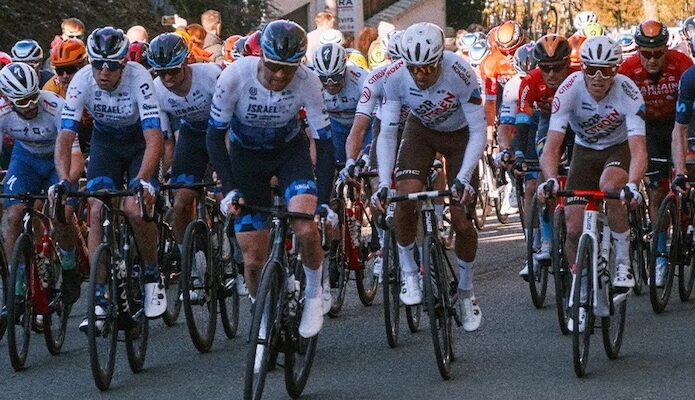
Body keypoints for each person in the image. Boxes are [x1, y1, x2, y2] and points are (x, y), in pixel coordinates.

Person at [206, 20, 331, 338]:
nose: (279, 75)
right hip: (246, 159)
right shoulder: (235, 76)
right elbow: (214, 137)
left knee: (305, 226)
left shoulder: (308, 81)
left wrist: (325, 200)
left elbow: (325, 143)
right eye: (273, 66)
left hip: (289, 154)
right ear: (261, 57)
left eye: (287, 69)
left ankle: (314, 294)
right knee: (252, 259)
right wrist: (229, 189)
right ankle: (261, 313)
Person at [372, 22, 487, 332]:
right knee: (404, 198)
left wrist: (463, 177)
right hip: (421, 132)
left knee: (460, 219)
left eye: (427, 68)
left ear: (439, 59)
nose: (420, 75)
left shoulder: (461, 72)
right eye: (414, 68)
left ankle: (466, 291)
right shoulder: (395, 76)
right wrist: (385, 183)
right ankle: (410, 272)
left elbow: (479, 131)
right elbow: (387, 133)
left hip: (462, 136)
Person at [53, 27, 166, 330]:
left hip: (140, 144)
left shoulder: (139, 78)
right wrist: (64, 180)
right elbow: (65, 137)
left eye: (112, 65)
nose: (104, 72)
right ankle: (100, 296)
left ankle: (152, 274)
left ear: (123, 64)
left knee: (135, 208)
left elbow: (154, 138)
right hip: (106, 144)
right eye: (98, 64)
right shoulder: (81, 81)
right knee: (96, 209)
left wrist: (143, 179)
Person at [537, 36, 647, 331]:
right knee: (573, 228)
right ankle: (582, 286)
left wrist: (633, 183)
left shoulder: (628, 91)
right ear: (582, 68)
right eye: (591, 70)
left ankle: (622, 261)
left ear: (616, 70)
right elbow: (552, 146)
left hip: (618, 149)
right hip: (584, 152)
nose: (598, 77)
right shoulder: (569, 90)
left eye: (606, 70)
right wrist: (550, 180)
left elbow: (639, 150)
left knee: (611, 187)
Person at [0, 63, 83, 320]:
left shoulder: (56, 106)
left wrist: (65, 183)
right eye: (22, 101)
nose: (31, 105)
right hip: (25, 160)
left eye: (33, 96)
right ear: (8, 99)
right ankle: (17, 287)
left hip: (59, 160)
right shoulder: (2, 112)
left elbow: (76, 158)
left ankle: (69, 266)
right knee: (13, 216)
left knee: (60, 214)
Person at [619, 20, 693, 287]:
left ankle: (685, 223)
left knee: (687, 174)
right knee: (657, 191)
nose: (652, 59)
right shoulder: (627, 70)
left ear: (666, 49)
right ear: (638, 50)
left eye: (658, 53)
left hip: (678, 124)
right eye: (646, 53)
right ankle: (660, 255)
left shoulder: (682, 63)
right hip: (647, 129)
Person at [511, 34, 578, 279]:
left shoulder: (579, 77)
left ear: (567, 64)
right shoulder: (530, 82)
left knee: (578, 172)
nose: (551, 74)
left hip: (576, 123)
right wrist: (519, 153)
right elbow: (522, 122)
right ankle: (547, 241)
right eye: (545, 68)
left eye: (557, 68)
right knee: (543, 174)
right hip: (548, 123)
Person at [43, 38, 92, 154]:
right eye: (60, 71)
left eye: (70, 69)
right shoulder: (50, 89)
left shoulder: (96, 82)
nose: (65, 76)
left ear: (83, 65)